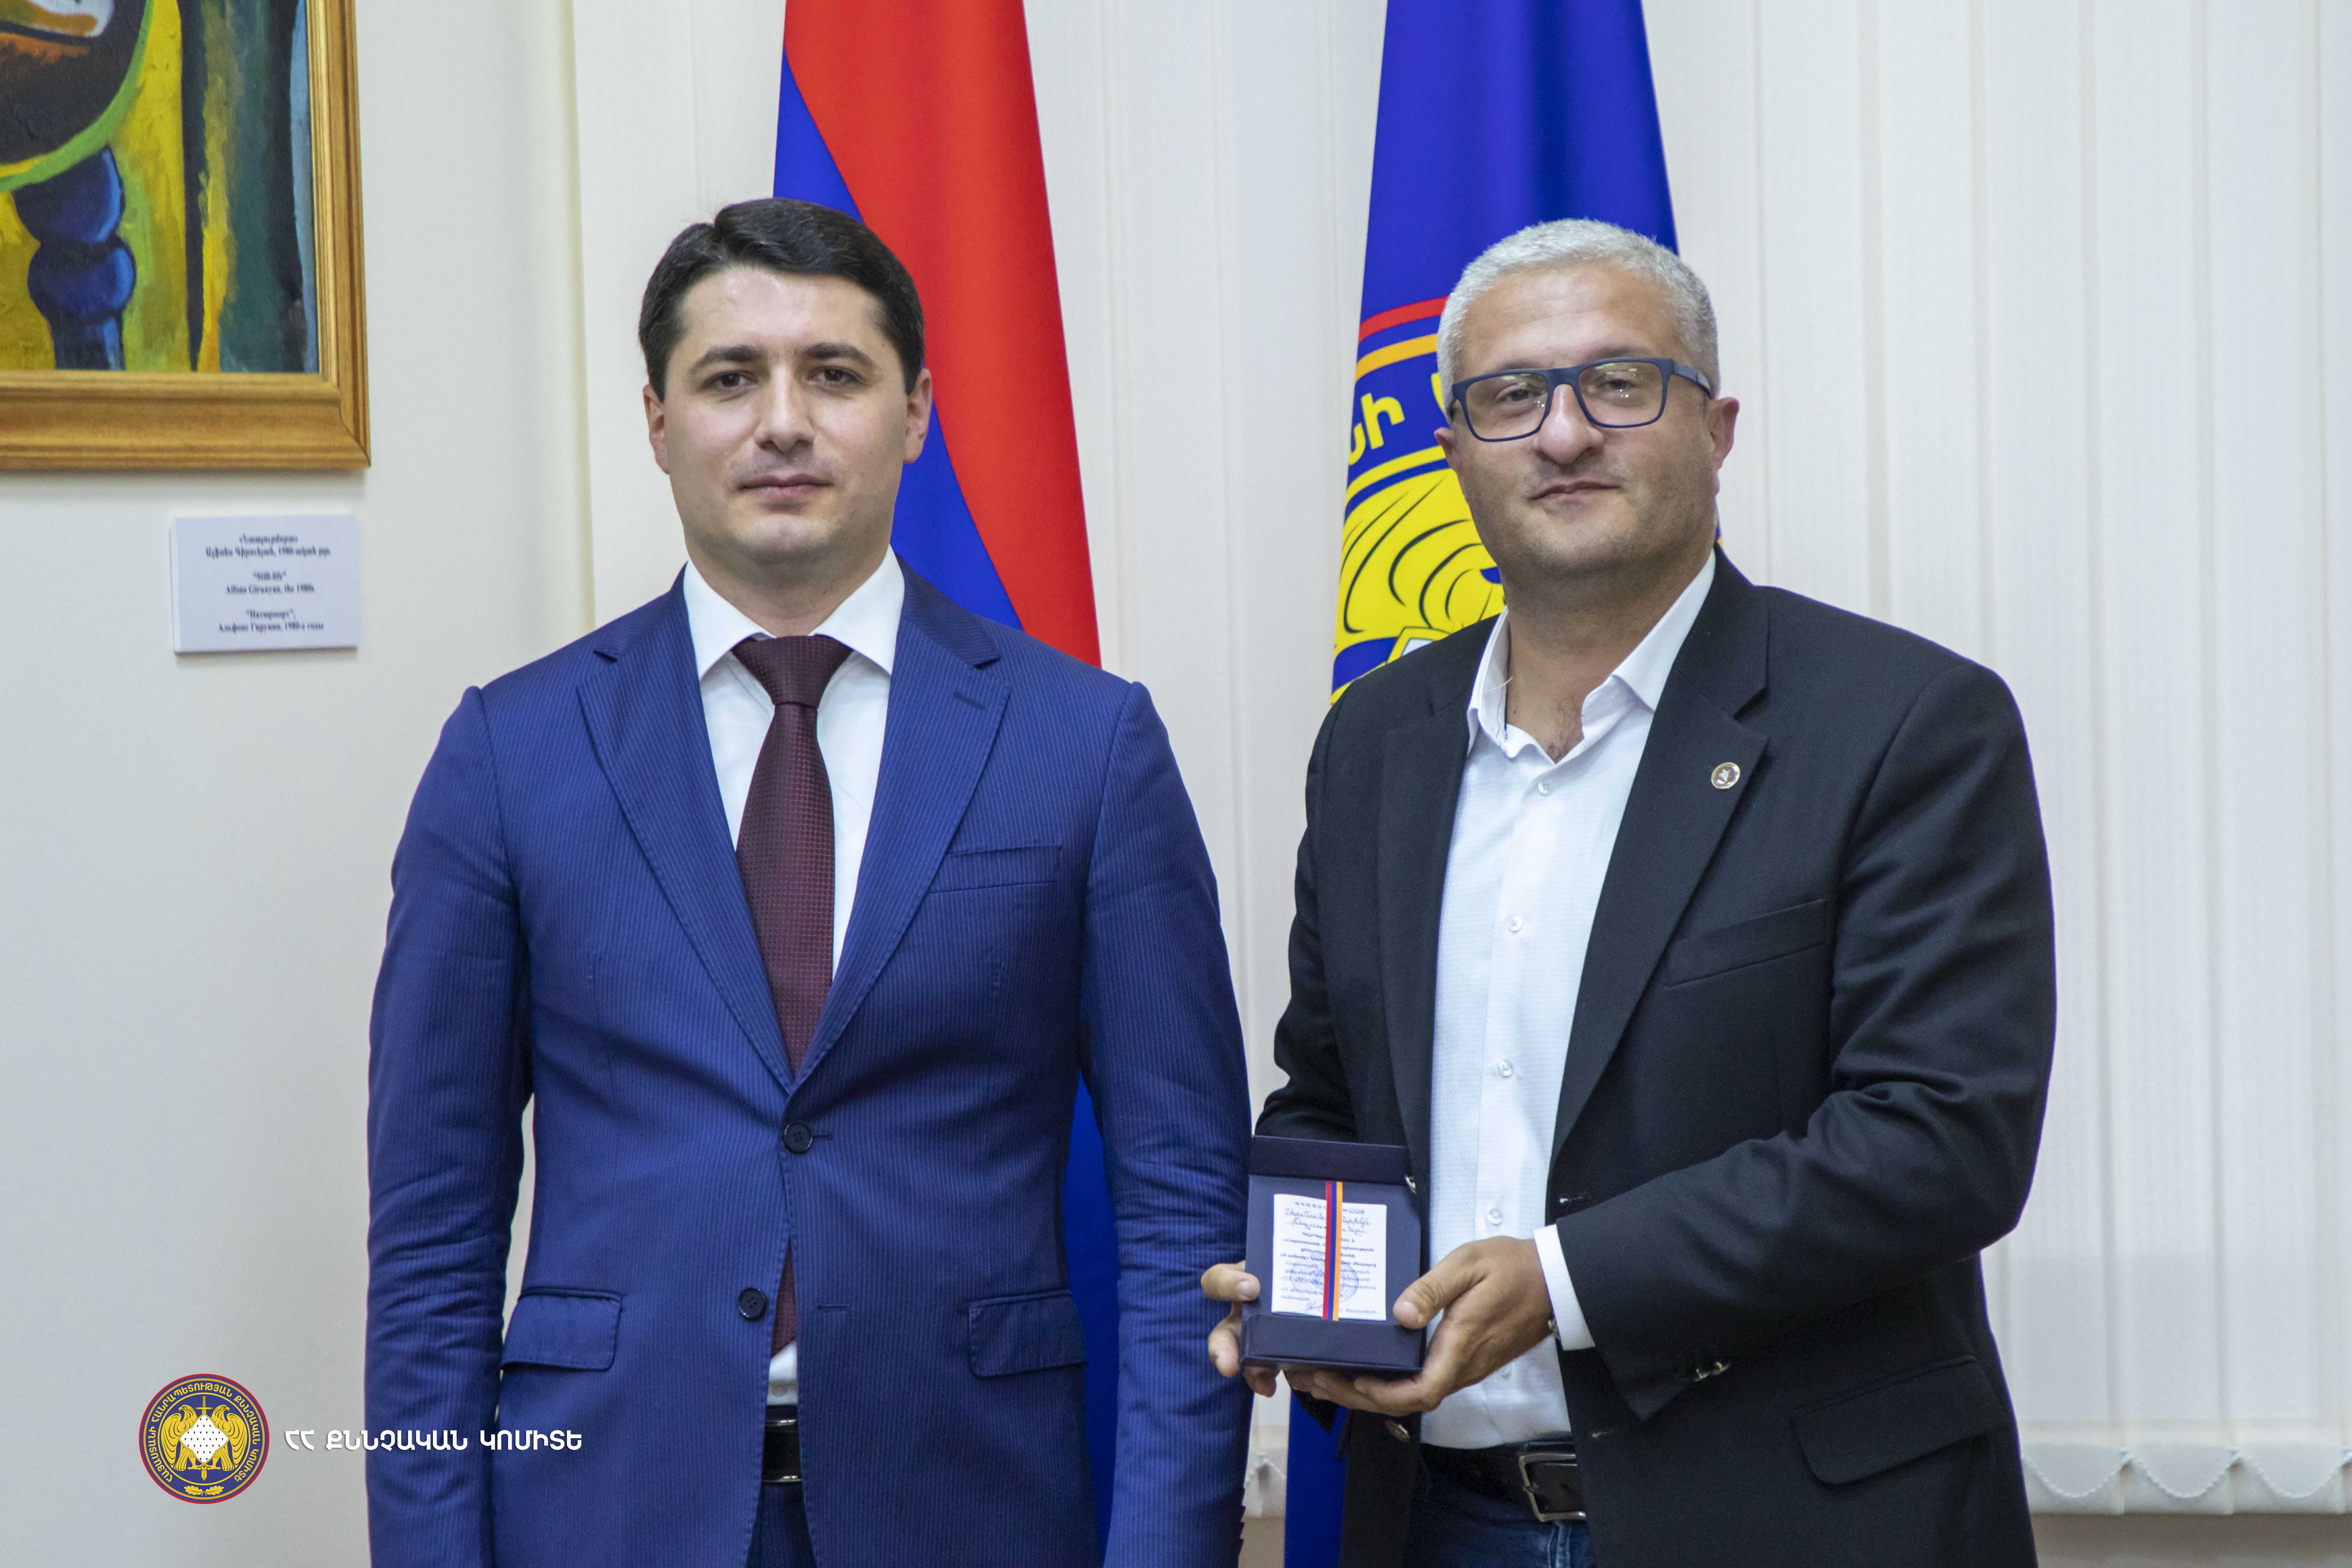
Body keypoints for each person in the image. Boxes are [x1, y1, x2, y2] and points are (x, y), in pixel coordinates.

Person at [367, 198, 1253, 1568]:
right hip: (607, 1512)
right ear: (658, 421)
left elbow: (1183, 1206)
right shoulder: (512, 751)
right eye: (731, 378)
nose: (783, 422)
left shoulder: (1086, 745)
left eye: (834, 374)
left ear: (917, 412)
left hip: (972, 1511)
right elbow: (434, 1233)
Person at [1206, 217, 2054, 1567]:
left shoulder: (1902, 724)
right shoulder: (1376, 745)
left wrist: (1560, 1283)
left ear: (1716, 430)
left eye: (1618, 384)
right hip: (1436, 1521)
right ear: (1453, 449)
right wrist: (1303, 1284)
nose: (1563, 434)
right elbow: (1328, 1093)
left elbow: (1940, 1141)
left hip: (1786, 1525)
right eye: (1511, 397)